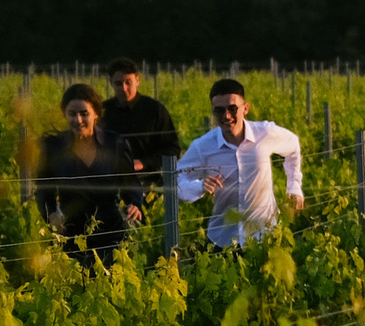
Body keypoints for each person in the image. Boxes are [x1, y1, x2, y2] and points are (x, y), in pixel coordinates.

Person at [175, 78, 304, 248]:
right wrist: (199, 187)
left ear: (245, 109)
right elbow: (177, 179)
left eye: (232, 108)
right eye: (219, 111)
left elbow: (293, 145)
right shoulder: (203, 146)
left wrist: (294, 187)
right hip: (223, 241)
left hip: (265, 238)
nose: (226, 116)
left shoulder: (265, 133)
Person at [36, 83, 141, 266]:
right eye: (72, 114)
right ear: (65, 114)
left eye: (84, 113)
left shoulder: (114, 143)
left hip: (110, 232)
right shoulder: (54, 148)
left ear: (96, 114)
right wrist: (51, 213)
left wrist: (134, 203)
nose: (78, 120)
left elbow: (130, 182)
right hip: (70, 234)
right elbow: (44, 190)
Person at [101, 59, 181, 203]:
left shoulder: (155, 110)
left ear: (137, 80)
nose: (124, 88)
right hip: (111, 188)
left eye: (128, 82)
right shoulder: (102, 112)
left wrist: (143, 163)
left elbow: (173, 148)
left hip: (149, 186)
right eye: (118, 83)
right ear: (111, 82)